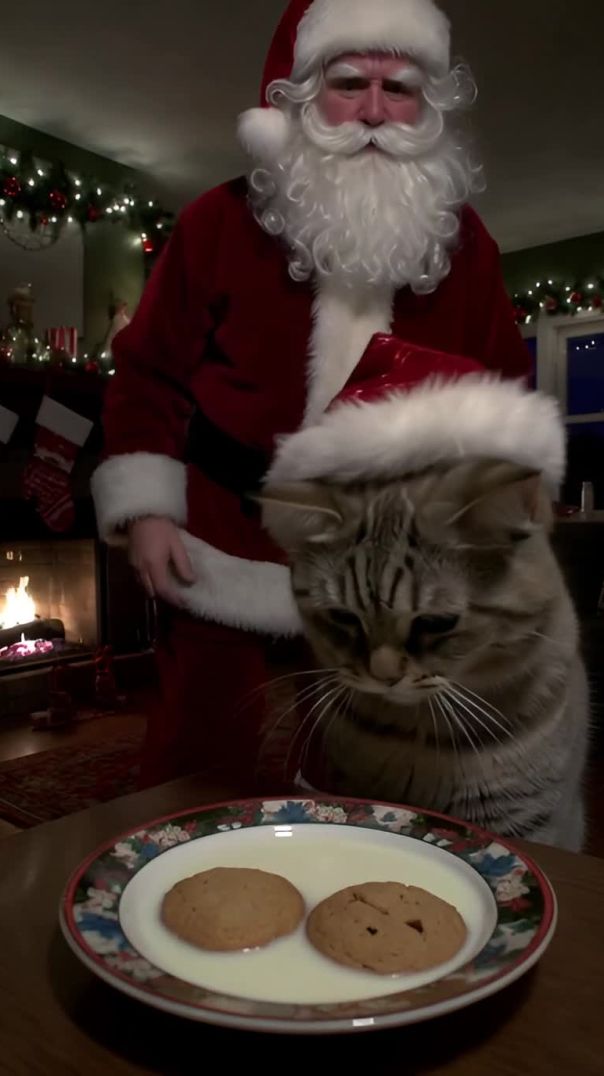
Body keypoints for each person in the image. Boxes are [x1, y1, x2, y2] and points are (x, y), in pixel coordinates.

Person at [92, 0, 529, 789]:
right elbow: (149, 371)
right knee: (198, 756)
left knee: (365, 767)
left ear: (428, 106)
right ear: (298, 97)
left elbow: (504, 397)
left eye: (399, 89)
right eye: (349, 83)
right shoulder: (217, 222)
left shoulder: (468, 249)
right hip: (225, 539)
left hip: (386, 567)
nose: (373, 112)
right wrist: (147, 509)